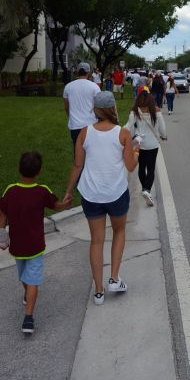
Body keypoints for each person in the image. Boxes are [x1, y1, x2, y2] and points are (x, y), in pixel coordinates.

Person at [63, 91, 139, 305]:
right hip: (115, 193)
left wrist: (69, 191)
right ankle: (114, 278)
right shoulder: (123, 133)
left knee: (96, 241)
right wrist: (135, 152)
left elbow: (78, 165)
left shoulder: (84, 133)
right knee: (119, 231)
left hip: (91, 195)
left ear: (95, 109)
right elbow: (130, 167)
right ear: (113, 107)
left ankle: (98, 292)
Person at [0, 152, 72, 334]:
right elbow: (55, 205)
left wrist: (2, 233)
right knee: (30, 279)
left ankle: (28, 315)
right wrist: (66, 204)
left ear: (18, 169)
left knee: (26, 277)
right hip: (35, 246)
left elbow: (3, 214)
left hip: (17, 247)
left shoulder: (10, 191)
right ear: (39, 172)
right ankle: (28, 308)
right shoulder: (42, 191)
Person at [124, 91, 167, 206]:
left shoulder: (134, 113)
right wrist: (164, 136)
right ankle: (147, 190)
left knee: (141, 167)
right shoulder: (156, 112)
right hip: (152, 144)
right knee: (151, 168)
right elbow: (162, 128)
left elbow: (128, 127)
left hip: (139, 144)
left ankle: (144, 188)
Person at [63, 62, 100, 149]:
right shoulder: (94, 87)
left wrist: (70, 117)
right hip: (91, 124)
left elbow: (66, 107)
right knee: (92, 152)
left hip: (75, 125)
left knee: (77, 152)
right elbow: (98, 106)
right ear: (89, 72)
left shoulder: (68, 87)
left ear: (77, 71)